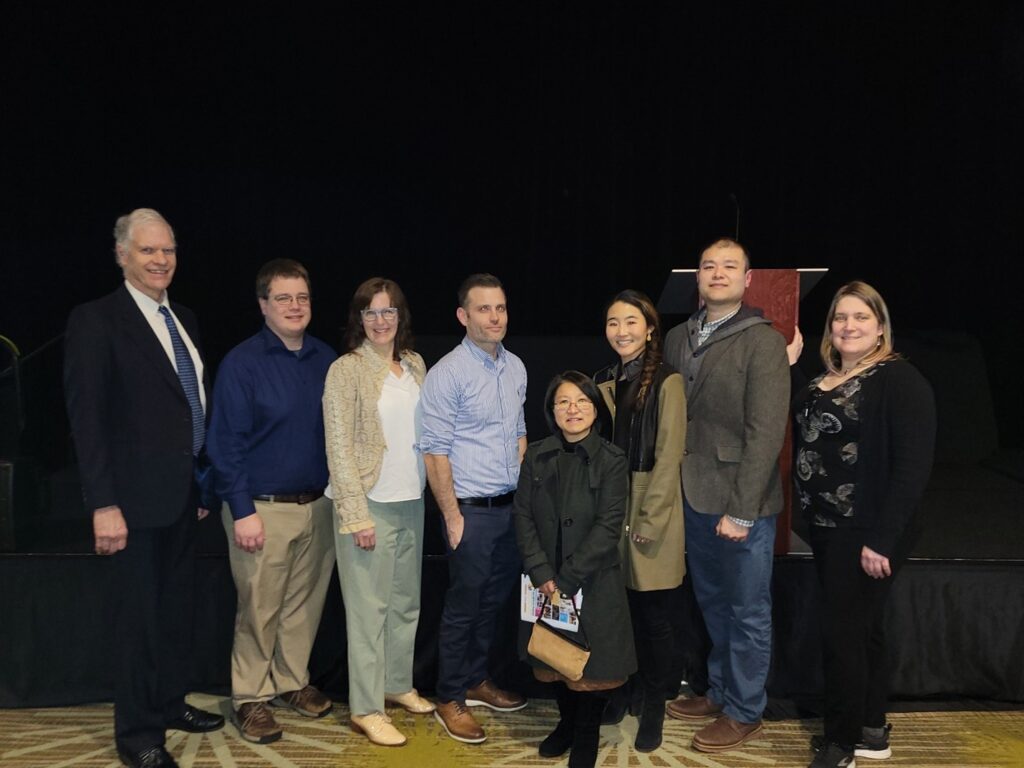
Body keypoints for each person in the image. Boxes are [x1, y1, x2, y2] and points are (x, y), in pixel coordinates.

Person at [64, 208, 224, 768]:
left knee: (176, 611)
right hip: (130, 505)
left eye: (169, 250)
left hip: (184, 498)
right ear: (122, 255)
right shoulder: (96, 320)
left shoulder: (184, 317)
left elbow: (186, 410)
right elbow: (88, 422)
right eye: (148, 250)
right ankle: (136, 735)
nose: (161, 260)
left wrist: (200, 486)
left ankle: (168, 702)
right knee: (137, 620)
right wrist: (103, 504)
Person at [790, 282, 935, 768]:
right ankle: (872, 729)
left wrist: (881, 540)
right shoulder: (828, 377)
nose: (848, 326)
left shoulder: (899, 380)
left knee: (842, 636)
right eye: (839, 318)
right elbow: (809, 422)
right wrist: (793, 366)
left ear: (879, 326)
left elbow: (913, 469)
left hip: (866, 529)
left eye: (860, 317)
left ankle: (840, 743)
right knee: (863, 631)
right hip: (828, 527)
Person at [663, 237, 789, 753]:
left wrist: (741, 509)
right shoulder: (676, 337)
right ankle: (719, 691)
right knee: (712, 601)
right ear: (696, 277)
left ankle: (745, 710)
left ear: (747, 278)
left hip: (743, 505)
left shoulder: (763, 340)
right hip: (692, 495)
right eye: (708, 266)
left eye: (729, 266)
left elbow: (766, 431)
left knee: (747, 609)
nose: (718, 273)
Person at [207, 259, 335, 745]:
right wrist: (241, 510)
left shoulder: (326, 358)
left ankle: (290, 682)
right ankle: (250, 697)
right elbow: (225, 445)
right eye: (283, 298)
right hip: (260, 509)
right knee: (259, 608)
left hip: (318, 506)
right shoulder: (243, 363)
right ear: (263, 305)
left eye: (301, 297)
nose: (294, 306)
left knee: (303, 606)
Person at [322, 278, 432, 747]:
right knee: (368, 612)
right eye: (371, 312)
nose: (381, 320)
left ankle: (395, 683)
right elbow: (339, 448)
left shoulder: (414, 364)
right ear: (359, 320)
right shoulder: (344, 370)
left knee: (406, 603)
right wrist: (355, 514)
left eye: (389, 312)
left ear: (400, 317)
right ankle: (366, 707)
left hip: (412, 499)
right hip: (369, 505)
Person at [419, 273, 528, 744]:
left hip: (509, 510)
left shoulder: (517, 367)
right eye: (483, 309)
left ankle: (476, 680)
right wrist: (451, 516)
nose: (495, 316)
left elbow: (520, 433)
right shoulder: (448, 373)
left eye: (500, 307)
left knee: (492, 602)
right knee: (463, 608)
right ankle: (449, 696)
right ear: (463, 316)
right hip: (469, 512)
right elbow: (434, 450)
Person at [513, 371, 636, 768]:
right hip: (542, 578)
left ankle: (585, 734)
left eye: (581, 401)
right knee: (552, 659)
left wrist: (567, 579)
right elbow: (523, 516)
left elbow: (609, 525)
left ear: (595, 409)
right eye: (563, 402)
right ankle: (566, 724)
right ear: (552, 411)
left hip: (592, 579)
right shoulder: (537, 454)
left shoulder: (613, 459)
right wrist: (540, 571)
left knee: (590, 663)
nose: (573, 409)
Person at [593, 289, 686, 753]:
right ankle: (623, 691)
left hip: (651, 510)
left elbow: (669, 458)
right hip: (612, 511)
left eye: (631, 322)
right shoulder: (606, 379)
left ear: (650, 328)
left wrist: (649, 519)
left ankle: (655, 702)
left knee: (654, 616)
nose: (621, 331)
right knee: (620, 613)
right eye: (613, 322)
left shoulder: (669, 382)